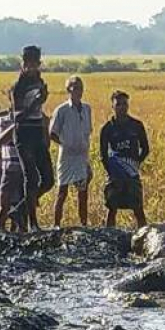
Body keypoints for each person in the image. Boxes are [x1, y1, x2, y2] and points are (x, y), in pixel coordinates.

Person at [10, 45, 54, 231]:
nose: (32, 67)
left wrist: (43, 99)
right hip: (24, 133)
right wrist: (36, 102)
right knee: (31, 177)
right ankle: (32, 223)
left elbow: (39, 108)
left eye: (35, 64)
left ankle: (20, 209)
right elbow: (16, 117)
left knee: (49, 180)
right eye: (28, 64)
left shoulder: (39, 81)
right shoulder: (18, 87)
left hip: (37, 132)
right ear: (23, 64)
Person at [100, 90, 150, 228]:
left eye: (125, 104)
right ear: (112, 107)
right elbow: (103, 155)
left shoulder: (136, 125)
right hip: (115, 173)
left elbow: (145, 148)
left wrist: (136, 164)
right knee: (111, 208)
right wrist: (111, 171)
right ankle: (109, 236)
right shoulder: (107, 128)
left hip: (132, 173)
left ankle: (144, 235)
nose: (122, 107)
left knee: (138, 208)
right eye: (118, 104)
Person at [50, 76, 92, 227]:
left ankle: (84, 224)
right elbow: (52, 132)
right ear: (69, 90)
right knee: (62, 192)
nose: (78, 91)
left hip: (81, 156)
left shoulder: (87, 109)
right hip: (67, 156)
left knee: (83, 192)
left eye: (80, 88)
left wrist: (86, 157)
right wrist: (65, 144)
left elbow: (88, 132)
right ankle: (56, 225)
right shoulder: (61, 110)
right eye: (75, 88)